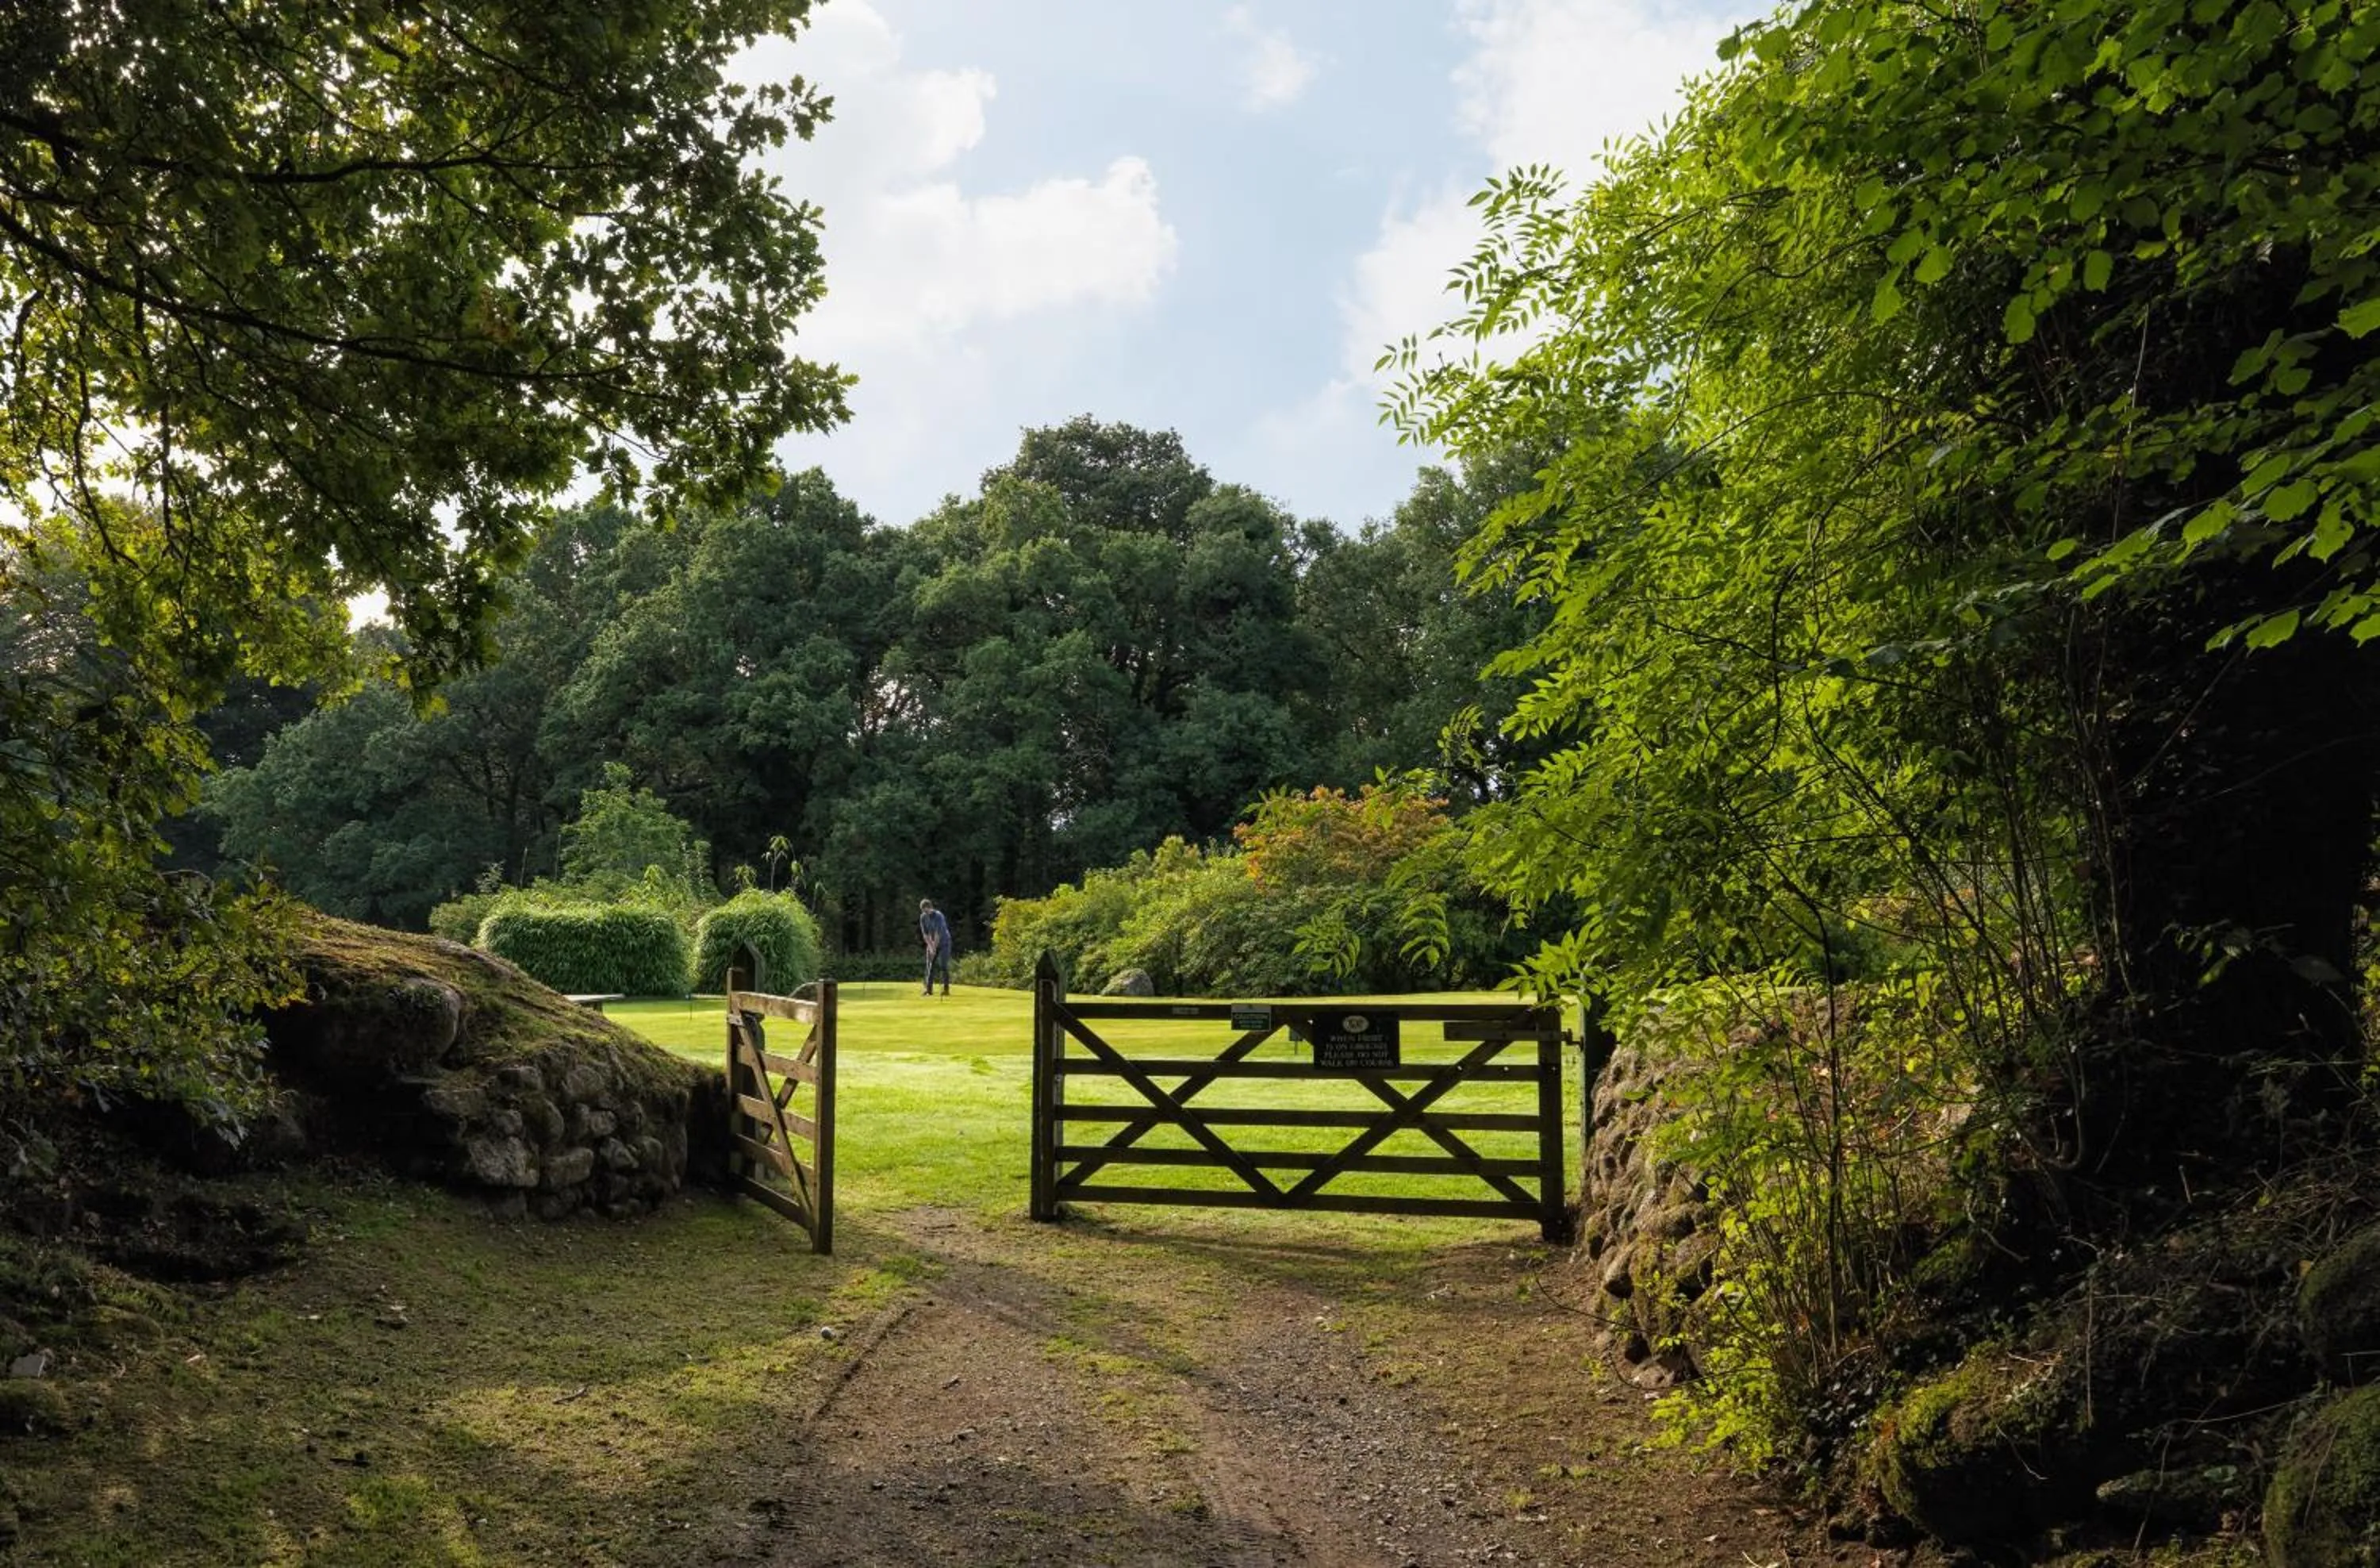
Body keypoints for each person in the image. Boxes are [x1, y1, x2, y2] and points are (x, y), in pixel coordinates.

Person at [919, 897, 953, 996]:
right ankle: (929, 990)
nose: (926, 913)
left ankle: (946, 990)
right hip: (932, 943)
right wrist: (930, 947)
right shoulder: (923, 917)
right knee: (930, 965)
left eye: (927, 910)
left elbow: (938, 934)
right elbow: (925, 935)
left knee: (943, 965)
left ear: (930, 907)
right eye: (924, 911)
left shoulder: (939, 916)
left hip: (944, 942)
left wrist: (934, 948)